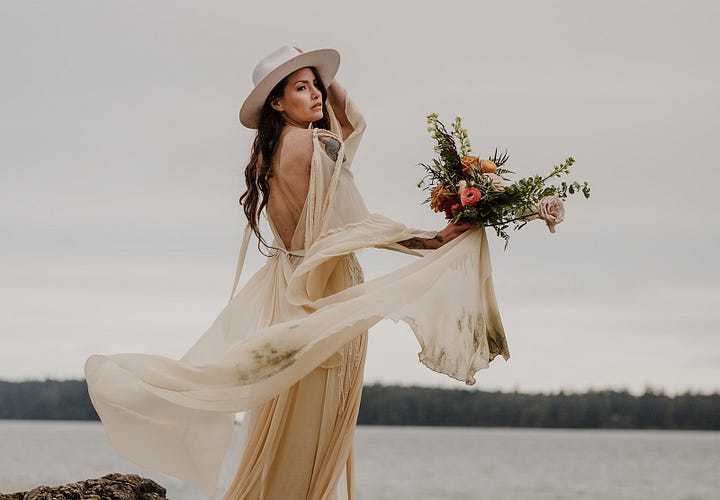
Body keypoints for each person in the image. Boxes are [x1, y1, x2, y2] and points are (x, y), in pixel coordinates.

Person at [85, 45, 509, 500]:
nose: (317, 96)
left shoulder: (270, 152)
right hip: (327, 289)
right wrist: (430, 241)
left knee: (286, 416)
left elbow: (342, 143)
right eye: (301, 88)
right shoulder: (317, 143)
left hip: (286, 287)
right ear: (276, 101)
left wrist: (317, 78)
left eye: (317, 86)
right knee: (318, 425)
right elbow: (355, 221)